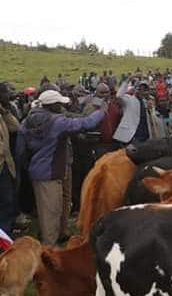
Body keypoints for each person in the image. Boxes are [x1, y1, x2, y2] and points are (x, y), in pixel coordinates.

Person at [16, 87, 106, 245]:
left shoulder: (26, 122)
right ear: (51, 105)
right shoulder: (57, 122)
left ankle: (61, 233)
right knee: (51, 211)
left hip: (51, 169)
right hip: (51, 170)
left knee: (61, 204)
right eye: (59, 104)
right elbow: (86, 123)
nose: (61, 107)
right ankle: (49, 247)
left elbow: (20, 149)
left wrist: (27, 165)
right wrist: (102, 111)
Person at [0, 83, 19, 235]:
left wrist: (5, 112)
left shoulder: (2, 113)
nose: (10, 95)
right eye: (7, 92)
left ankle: (6, 233)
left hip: (6, 164)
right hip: (2, 163)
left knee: (7, 200)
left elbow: (15, 127)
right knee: (5, 201)